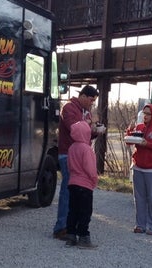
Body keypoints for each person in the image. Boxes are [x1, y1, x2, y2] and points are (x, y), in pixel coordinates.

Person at [53, 85, 101, 240]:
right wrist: (90, 124)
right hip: (68, 153)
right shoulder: (69, 108)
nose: (92, 104)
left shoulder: (85, 111)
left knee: (74, 193)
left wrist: (95, 132)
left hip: (78, 152)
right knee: (68, 191)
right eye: (91, 100)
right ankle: (61, 227)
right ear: (83, 96)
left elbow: (84, 133)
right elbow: (74, 128)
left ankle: (71, 227)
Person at [125, 104, 152, 235]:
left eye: (148, 113)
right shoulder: (139, 127)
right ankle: (140, 225)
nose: (145, 116)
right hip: (138, 167)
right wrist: (129, 131)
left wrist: (148, 144)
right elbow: (129, 142)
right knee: (138, 197)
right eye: (144, 113)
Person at [64, 121, 99, 248]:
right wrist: (94, 179)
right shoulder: (86, 149)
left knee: (73, 211)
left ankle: (71, 236)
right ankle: (83, 237)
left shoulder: (71, 148)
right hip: (85, 185)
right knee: (85, 212)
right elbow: (90, 168)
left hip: (73, 183)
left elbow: (68, 165)